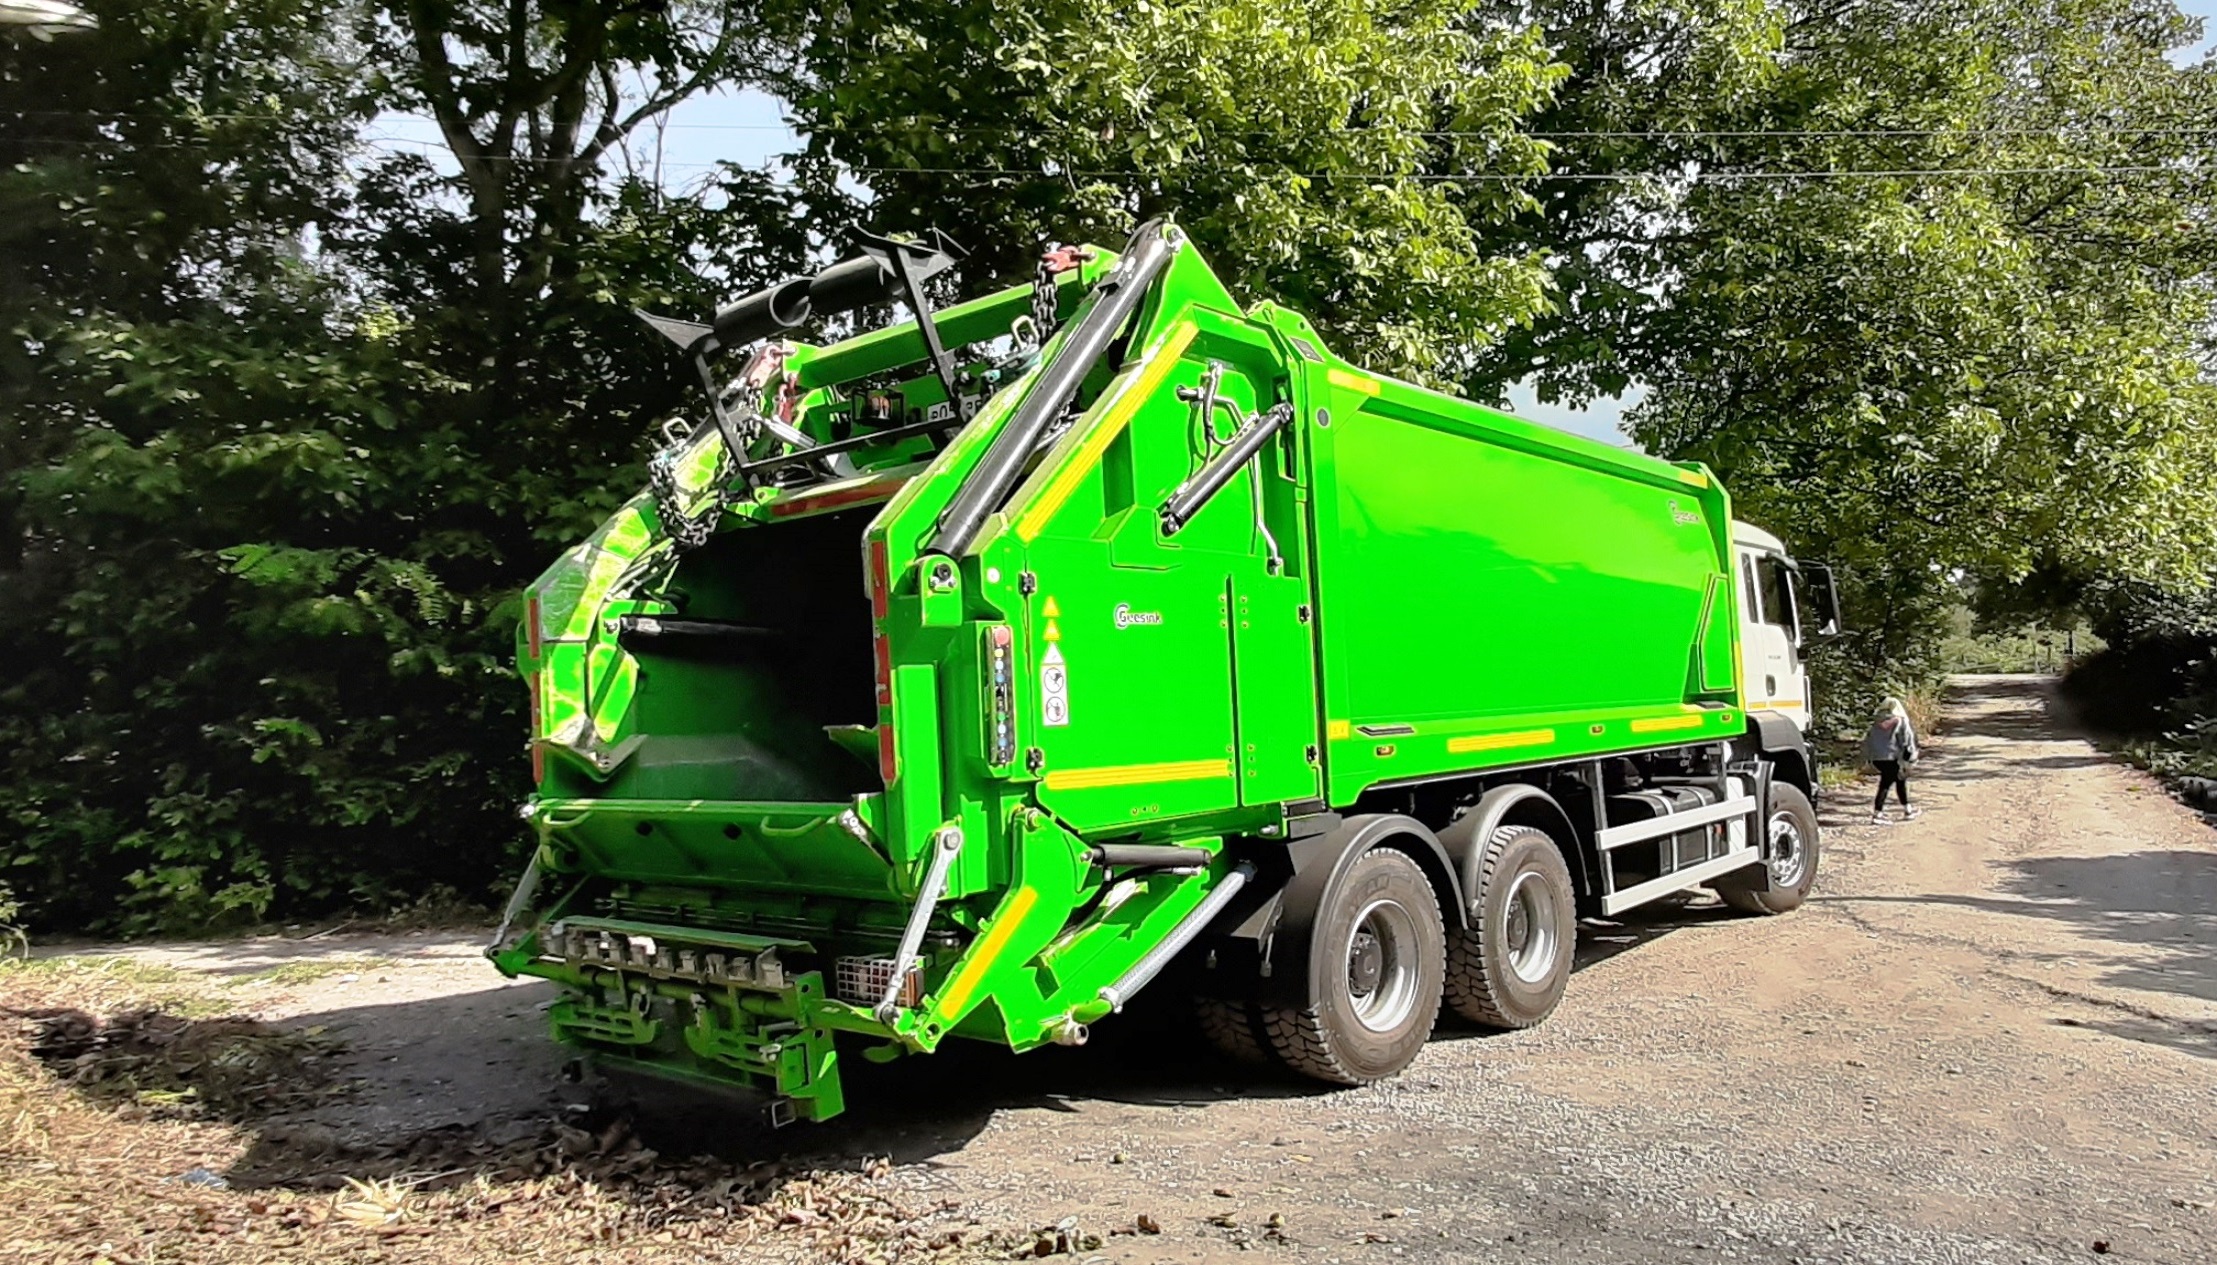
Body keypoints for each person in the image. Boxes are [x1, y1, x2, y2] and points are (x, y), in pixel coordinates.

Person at [1863, 697, 1921, 825]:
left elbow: (1869, 739)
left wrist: (1868, 757)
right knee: (1886, 784)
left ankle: (1908, 810)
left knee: (1900, 781)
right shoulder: (1900, 720)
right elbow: (1906, 739)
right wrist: (1910, 756)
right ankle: (1877, 814)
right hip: (1894, 757)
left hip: (1878, 757)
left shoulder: (1876, 721)